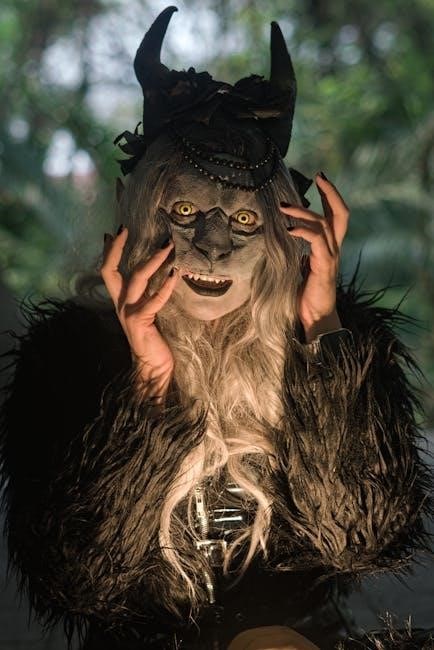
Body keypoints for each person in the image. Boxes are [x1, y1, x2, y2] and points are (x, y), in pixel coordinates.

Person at [0, 6, 432, 650]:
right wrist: (149, 385)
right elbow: (79, 579)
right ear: (137, 216)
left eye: (245, 221)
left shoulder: (333, 346)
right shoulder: (67, 360)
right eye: (184, 209)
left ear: (286, 232)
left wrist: (324, 331)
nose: (213, 245)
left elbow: (364, 537)